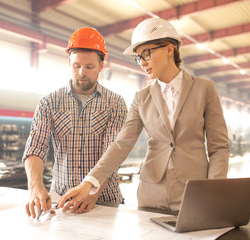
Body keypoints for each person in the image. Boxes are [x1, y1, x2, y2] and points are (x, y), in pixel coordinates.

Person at [57, 18, 229, 212]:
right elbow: (122, 143)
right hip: (151, 191)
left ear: (169, 48)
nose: (143, 63)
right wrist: (89, 183)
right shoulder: (142, 97)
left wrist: (214, 189)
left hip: (194, 190)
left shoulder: (204, 89)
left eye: (147, 53)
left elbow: (219, 148)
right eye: (139, 57)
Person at [23, 27, 128, 218]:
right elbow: (35, 147)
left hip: (104, 200)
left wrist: (92, 193)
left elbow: (112, 154)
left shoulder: (115, 104)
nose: (82, 73)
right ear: (69, 62)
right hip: (61, 200)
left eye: (89, 67)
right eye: (76, 65)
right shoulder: (49, 102)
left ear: (101, 66)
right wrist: (35, 187)